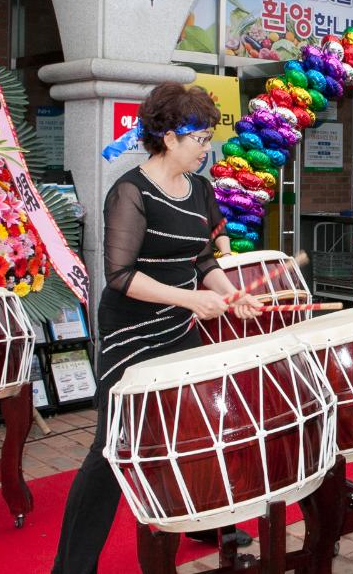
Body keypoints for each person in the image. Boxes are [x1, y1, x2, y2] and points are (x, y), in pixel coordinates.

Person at [52, 83, 264, 573]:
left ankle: (200, 519)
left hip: (178, 325)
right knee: (111, 447)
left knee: (194, 429)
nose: (206, 147)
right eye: (200, 138)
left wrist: (230, 294)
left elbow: (203, 257)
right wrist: (192, 298)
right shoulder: (129, 190)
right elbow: (121, 276)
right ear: (169, 138)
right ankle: (71, 566)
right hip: (131, 333)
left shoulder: (201, 189)